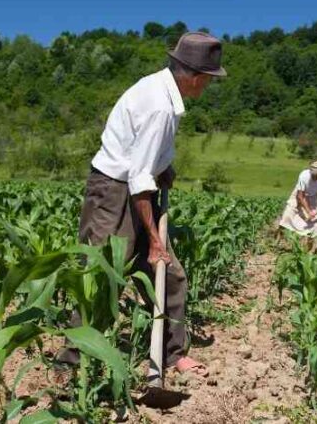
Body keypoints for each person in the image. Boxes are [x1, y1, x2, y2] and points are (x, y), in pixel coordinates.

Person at [72, 32, 226, 377]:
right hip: (115, 193)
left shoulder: (162, 89)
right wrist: (154, 240)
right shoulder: (160, 106)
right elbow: (138, 179)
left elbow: (143, 156)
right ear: (197, 77)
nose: (208, 88)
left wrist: (162, 166)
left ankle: (171, 353)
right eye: (209, 81)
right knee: (100, 278)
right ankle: (73, 365)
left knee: (170, 275)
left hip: (137, 189)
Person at [278, 161, 317, 238]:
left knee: (315, 221)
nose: (316, 177)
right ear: (311, 172)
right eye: (314, 175)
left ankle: (309, 243)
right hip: (299, 195)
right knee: (288, 214)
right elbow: (300, 197)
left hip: (313, 197)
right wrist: (309, 211)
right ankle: (278, 236)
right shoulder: (304, 176)